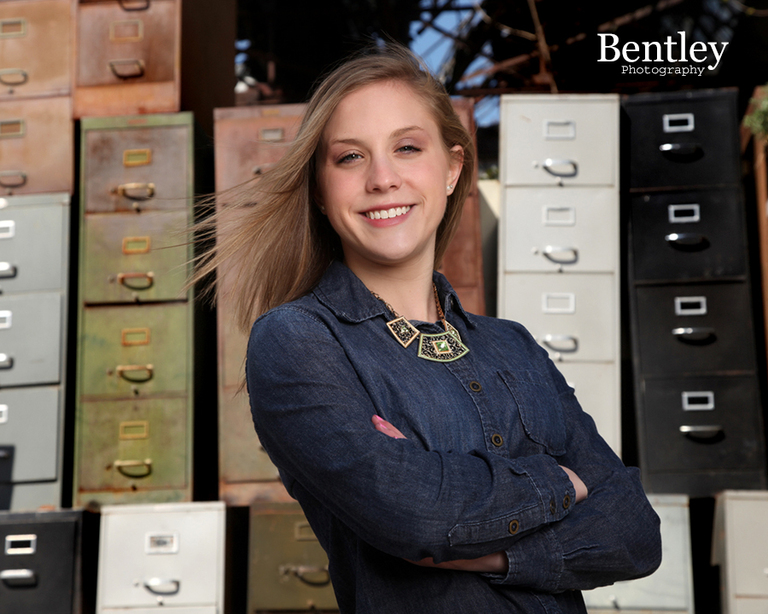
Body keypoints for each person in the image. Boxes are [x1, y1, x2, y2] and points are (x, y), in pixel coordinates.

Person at [198, 43, 661, 613]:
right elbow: (415, 513)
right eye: (350, 158)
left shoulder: (511, 345)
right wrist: (566, 481)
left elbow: (636, 533)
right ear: (320, 192)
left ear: (453, 169)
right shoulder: (297, 341)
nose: (383, 179)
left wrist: (484, 547)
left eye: (408, 148)